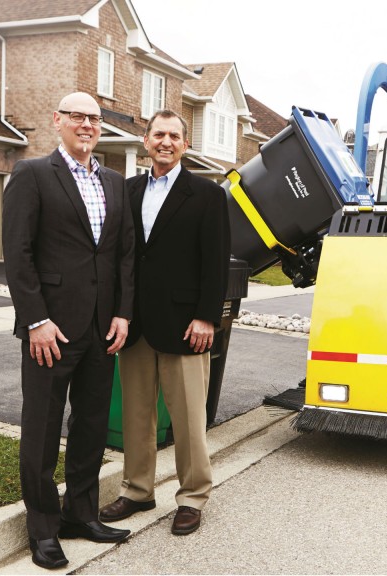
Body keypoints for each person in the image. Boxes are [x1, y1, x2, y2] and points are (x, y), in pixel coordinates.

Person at [2, 91, 135, 569]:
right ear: (57, 120)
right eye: (77, 116)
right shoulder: (33, 175)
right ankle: (42, 528)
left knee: (91, 425)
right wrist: (35, 320)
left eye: (94, 118)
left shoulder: (115, 183)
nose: (87, 124)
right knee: (40, 429)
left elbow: (122, 256)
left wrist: (122, 313)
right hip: (51, 330)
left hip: (102, 328)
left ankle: (81, 514)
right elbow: (17, 254)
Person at [98, 110, 230, 536]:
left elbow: (216, 261)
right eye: (159, 134)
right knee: (137, 415)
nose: (166, 142)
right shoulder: (129, 189)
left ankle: (192, 496)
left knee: (189, 419)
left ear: (185, 144)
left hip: (185, 326)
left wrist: (208, 316)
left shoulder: (207, 195)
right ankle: (137, 490)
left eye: (175, 135)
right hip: (134, 324)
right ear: (146, 140)